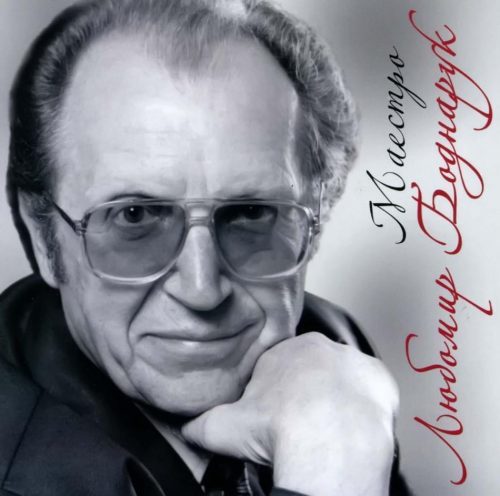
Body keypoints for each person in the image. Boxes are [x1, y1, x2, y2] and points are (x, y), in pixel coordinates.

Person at [0, 0, 412, 495]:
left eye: (251, 213)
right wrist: (331, 465)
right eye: (135, 216)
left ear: (314, 223)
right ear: (43, 236)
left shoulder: (335, 362)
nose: (201, 290)